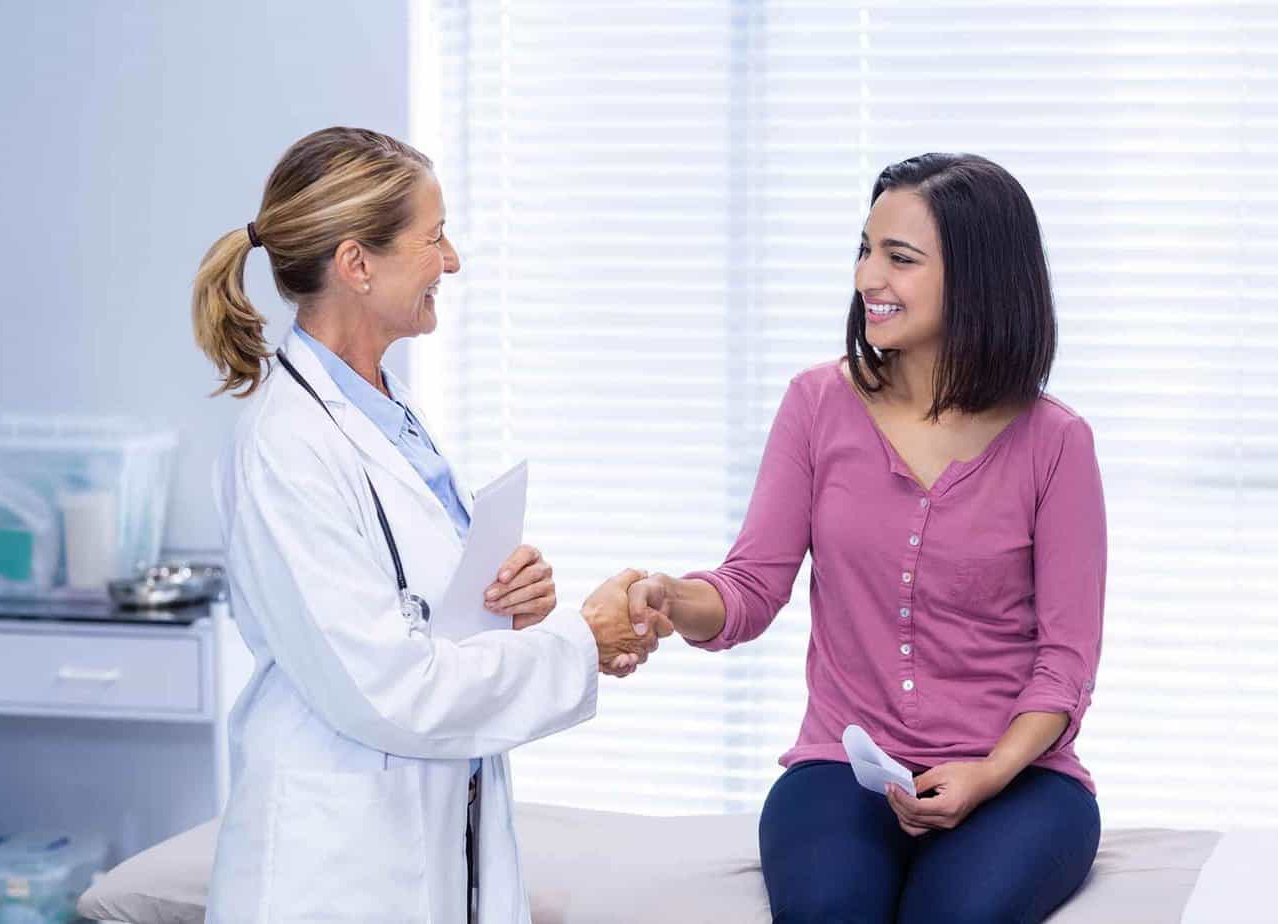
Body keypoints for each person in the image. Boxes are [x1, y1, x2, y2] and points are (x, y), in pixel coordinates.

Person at [190, 126, 662, 924]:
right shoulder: (286, 447)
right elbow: (392, 687)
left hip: (423, 836)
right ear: (357, 264)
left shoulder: (385, 410)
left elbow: (412, 613)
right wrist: (582, 640)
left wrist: (500, 607)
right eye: (434, 237)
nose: (453, 261)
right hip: (336, 871)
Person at [619, 153, 1106, 923]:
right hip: (843, 769)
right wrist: (673, 597)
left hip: (1018, 781)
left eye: (900, 258)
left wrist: (991, 770)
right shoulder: (817, 403)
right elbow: (750, 587)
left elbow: (1066, 660)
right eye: (865, 249)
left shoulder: (1057, 443)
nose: (867, 277)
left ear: (978, 277)